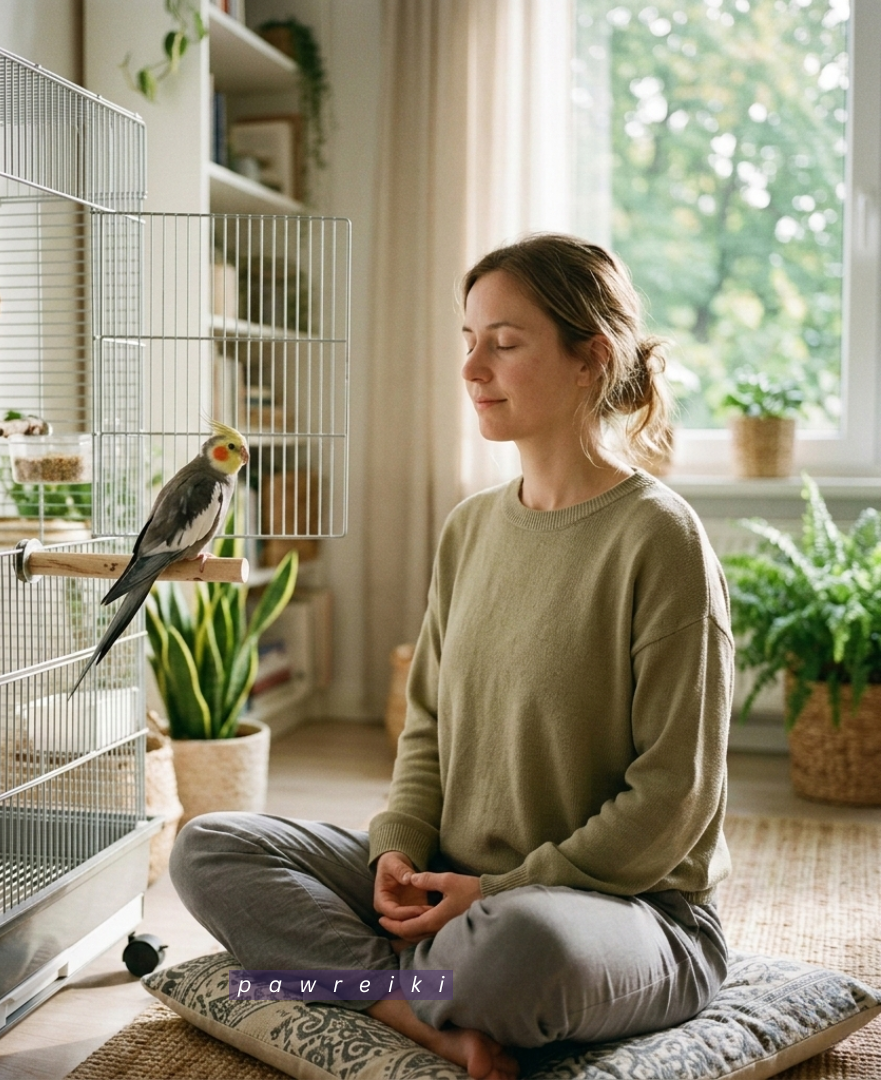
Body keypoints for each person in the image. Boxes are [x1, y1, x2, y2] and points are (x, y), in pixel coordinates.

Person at [170, 233, 734, 1080]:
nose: (473, 369)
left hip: (621, 909)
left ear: (593, 359)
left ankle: (331, 978)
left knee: (517, 949)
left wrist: (497, 896)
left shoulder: (662, 539)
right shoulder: (469, 528)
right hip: (455, 887)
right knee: (208, 847)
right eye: (468, 341)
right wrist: (396, 850)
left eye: (504, 344)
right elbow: (426, 726)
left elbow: (672, 798)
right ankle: (417, 1011)